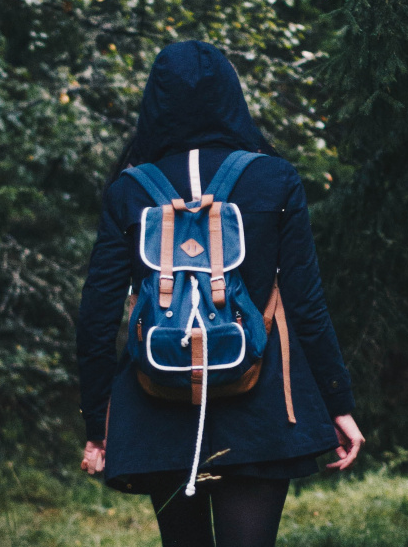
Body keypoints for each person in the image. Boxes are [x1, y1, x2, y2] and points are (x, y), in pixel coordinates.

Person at [75, 41, 365, 547]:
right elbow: (306, 303)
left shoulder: (129, 190)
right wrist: (337, 402)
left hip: (158, 406)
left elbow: (97, 316)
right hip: (260, 410)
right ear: (231, 98)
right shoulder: (274, 179)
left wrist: (99, 422)